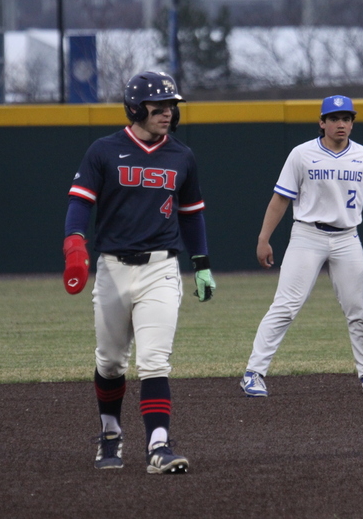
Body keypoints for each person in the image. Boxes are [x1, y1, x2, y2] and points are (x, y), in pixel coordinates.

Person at [62, 71, 216, 474]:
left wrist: (201, 265)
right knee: (110, 363)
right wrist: (74, 243)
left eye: (171, 106)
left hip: (162, 268)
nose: (167, 112)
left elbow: (192, 215)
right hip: (112, 268)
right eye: (158, 106)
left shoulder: (181, 155)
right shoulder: (103, 150)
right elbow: (80, 204)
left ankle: (159, 445)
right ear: (135, 108)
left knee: (154, 362)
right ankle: (110, 434)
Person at [240, 95, 363, 398]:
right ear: (322, 122)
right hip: (307, 236)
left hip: (347, 238)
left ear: (352, 122)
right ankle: (254, 373)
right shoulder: (301, 154)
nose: (341, 124)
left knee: (360, 311)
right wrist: (264, 238)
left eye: (347, 118)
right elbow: (280, 200)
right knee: (286, 306)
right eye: (335, 118)